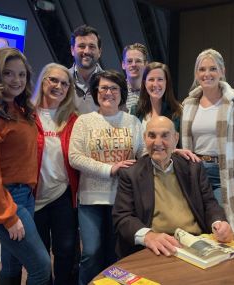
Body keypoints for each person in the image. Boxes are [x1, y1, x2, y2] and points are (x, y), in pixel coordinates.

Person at [0, 48, 51, 285]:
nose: (16, 80)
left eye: (21, 74)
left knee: (12, 262)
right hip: (3, 199)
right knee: (41, 267)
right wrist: (8, 216)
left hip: (23, 194)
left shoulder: (19, 108)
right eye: (8, 73)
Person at [112, 116, 234, 258]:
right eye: (152, 135)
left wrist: (218, 223)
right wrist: (148, 236)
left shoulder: (193, 167)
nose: (158, 142)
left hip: (196, 243)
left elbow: (209, 204)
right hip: (155, 249)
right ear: (145, 138)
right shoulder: (130, 173)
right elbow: (122, 217)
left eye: (165, 135)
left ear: (176, 139)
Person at [69, 70, 145, 285]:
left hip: (122, 200)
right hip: (91, 199)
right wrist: (110, 169)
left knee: (116, 255)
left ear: (121, 93)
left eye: (114, 88)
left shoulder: (132, 122)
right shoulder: (84, 122)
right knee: (91, 253)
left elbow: (144, 154)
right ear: (95, 92)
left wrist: (170, 152)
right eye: (103, 88)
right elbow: (75, 157)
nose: (108, 93)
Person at [182, 48, 234, 234]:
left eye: (213, 69)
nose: (207, 74)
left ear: (222, 71)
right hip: (196, 171)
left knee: (222, 227)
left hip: (225, 172)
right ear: (197, 74)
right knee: (199, 226)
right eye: (202, 69)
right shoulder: (189, 104)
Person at [32, 63, 79, 285]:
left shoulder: (72, 119)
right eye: (53, 80)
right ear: (43, 81)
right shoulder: (26, 114)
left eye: (64, 83)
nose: (58, 86)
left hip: (62, 195)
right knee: (39, 256)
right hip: (32, 197)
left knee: (65, 251)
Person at [135, 62, 182, 133]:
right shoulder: (136, 111)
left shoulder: (178, 112)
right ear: (145, 83)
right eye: (151, 79)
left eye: (160, 79)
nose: (155, 84)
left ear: (166, 82)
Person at [69, 24, 103, 114]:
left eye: (92, 47)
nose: (86, 51)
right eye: (82, 46)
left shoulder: (111, 83)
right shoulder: (61, 81)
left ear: (99, 52)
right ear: (72, 50)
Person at [121, 43, 148, 113]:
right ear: (123, 65)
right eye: (129, 61)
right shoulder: (116, 91)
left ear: (146, 64)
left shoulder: (152, 91)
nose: (133, 64)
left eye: (138, 61)